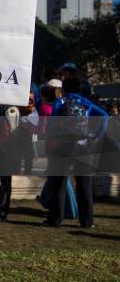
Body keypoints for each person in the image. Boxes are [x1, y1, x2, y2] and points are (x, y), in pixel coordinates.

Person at [44, 76, 109, 228]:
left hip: (63, 146)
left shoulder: (60, 102)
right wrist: (97, 136)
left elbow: (53, 123)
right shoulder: (86, 103)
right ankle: (87, 221)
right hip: (84, 145)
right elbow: (105, 116)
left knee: (58, 184)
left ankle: (55, 220)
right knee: (84, 185)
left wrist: (53, 139)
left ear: (64, 88)